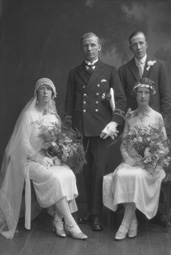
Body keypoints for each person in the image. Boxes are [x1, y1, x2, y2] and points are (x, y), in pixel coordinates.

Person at [0, 78, 87, 240]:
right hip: (29, 161)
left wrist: (59, 155)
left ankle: (57, 220)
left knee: (68, 174)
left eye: (49, 89)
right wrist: (38, 157)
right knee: (55, 178)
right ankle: (70, 223)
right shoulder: (28, 115)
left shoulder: (54, 117)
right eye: (42, 89)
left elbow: (58, 141)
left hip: (49, 159)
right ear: (37, 93)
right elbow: (23, 143)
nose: (46, 92)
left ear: (53, 94)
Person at [65, 32, 126, 231]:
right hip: (81, 129)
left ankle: (97, 215)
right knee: (86, 172)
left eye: (93, 45)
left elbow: (121, 100)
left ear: (99, 47)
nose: (89, 49)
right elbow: (69, 104)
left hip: (102, 129)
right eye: (85, 46)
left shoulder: (110, 71)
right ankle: (90, 211)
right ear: (81, 48)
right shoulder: (74, 73)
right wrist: (70, 130)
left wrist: (114, 123)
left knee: (99, 171)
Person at [103, 78, 168, 240]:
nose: (143, 96)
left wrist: (150, 158)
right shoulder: (130, 116)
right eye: (140, 92)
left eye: (146, 93)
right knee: (121, 175)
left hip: (150, 166)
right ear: (135, 95)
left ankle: (125, 223)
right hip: (131, 161)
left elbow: (164, 145)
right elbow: (124, 144)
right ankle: (132, 221)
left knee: (137, 176)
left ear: (151, 95)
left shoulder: (157, 117)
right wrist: (128, 158)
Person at [118, 30, 171, 226]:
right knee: (132, 166)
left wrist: (163, 126)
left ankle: (154, 210)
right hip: (134, 126)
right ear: (130, 47)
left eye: (141, 43)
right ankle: (133, 212)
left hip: (154, 126)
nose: (138, 47)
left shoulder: (159, 66)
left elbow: (165, 97)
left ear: (146, 44)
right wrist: (128, 118)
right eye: (134, 44)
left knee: (154, 165)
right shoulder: (124, 70)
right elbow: (123, 100)